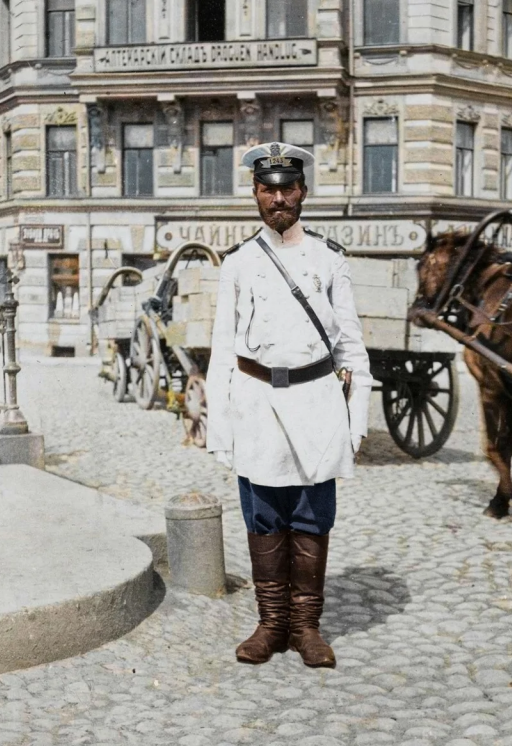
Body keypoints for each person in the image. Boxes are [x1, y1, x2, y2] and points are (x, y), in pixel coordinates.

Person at [205, 141, 372, 668]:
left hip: (317, 402)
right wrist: (220, 426)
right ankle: (271, 623)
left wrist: (357, 423)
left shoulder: (329, 259)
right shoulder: (238, 263)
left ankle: (306, 628)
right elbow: (221, 350)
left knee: (311, 518)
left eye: (288, 188)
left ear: (303, 192)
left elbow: (352, 347)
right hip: (256, 403)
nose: (278, 198)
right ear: (255, 193)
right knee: (263, 517)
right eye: (268, 189)